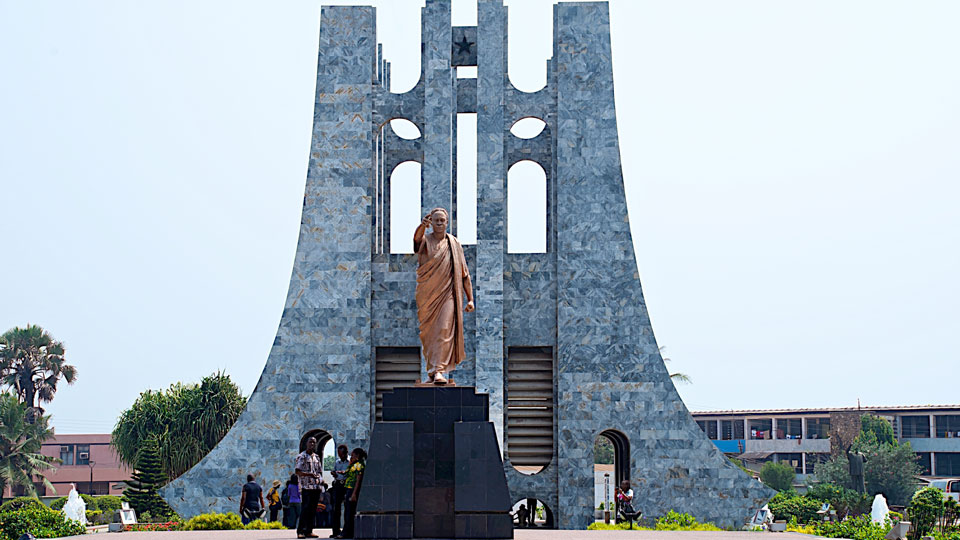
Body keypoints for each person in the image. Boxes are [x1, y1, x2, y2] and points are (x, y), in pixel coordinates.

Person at [413, 207, 474, 385]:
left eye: (442, 221)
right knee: (429, 334)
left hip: (448, 294)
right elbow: (416, 241)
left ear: (447, 223)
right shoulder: (426, 240)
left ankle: (439, 370)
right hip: (427, 295)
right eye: (436, 220)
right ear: (431, 223)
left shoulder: (454, 245)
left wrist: (470, 299)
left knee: (444, 329)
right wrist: (421, 227)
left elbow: (464, 275)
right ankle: (432, 371)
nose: (439, 223)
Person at [296, 437, 324, 539]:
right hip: (306, 486)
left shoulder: (316, 457)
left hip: (315, 487)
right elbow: (297, 471)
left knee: (313, 509)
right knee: (305, 509)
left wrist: (321, 484)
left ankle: (309, 530)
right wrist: (309, 475)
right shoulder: (302, 456)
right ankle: (301, 531)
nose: (312, 444)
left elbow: (320, 472)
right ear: (306, 443)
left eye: (314, 442)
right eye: (310, 442)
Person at [337, 448, 366, 539]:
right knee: (347, 512)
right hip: (349, 489)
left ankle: (346, 532)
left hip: (353, 489)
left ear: (357, 456)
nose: (351, 457)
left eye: (353, 455)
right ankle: (348, 532)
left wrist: (354, 493)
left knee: (349, 512)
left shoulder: (359, 465)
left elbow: (358, 479)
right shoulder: (354, 464)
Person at [330, 444, 350, 538]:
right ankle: (335, 531)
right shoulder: (337, 462)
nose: (340, 456)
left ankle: (346, 530)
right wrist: (334, 474)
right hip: (338, 484)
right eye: (338, 454)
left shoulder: (350, 461)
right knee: (336, 508)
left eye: (341, 454)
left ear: (346, 453)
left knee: (347, 508)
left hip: (346, 484)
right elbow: (334, 471)